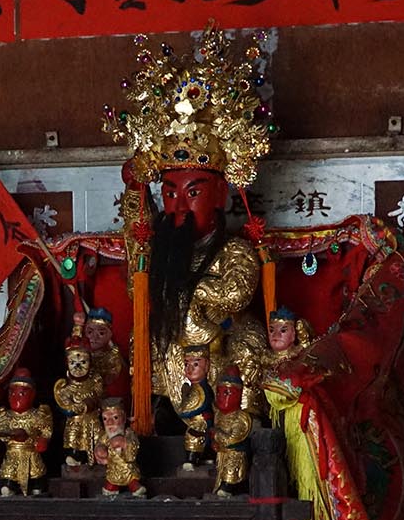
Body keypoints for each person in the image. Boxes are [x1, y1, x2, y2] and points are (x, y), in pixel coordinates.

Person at [101, 25, 274, 433]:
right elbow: (137, 282)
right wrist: (135, 193)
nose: (179, 205)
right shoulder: (162, 248)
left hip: (218, 353)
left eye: (193, 192)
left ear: (220, 194)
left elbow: (234, 294)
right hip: (171, 355)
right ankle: (157, 414)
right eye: (170, 192)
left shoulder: (233, 251)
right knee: (146, 335)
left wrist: (189, 290)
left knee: (249, 341)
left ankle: (236, 425)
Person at [0, 369, 52, 496]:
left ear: (32, 394)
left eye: (21, 393)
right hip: (13, 453)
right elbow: (1, 432)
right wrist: (11, 434)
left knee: (36, 473)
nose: (15, 397)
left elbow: (46, 431)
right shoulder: (5, 415)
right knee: (9, 473)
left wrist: (42, 440)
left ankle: (37, 486)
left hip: (31, 452)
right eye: (12, 393)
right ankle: (9, 485)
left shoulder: (38, 414)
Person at [52, 335, 102, 467]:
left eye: (83, 362)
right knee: (73, 441)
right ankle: (74, 457)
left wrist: (90, 403)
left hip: (93, 421)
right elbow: (63, 405)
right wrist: (73, 408)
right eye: (73, 363)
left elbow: (99, 397)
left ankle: (97, 460)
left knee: (97, 442)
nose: (78, 366)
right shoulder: (64, 387)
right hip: (75, 422)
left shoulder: (95, 381)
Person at [210, 367, 253, 497]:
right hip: (221, 452)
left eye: (226, 393)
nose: (220, 397)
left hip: (235, 452)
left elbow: (232, 439)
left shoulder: (241, 418)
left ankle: (228, 487)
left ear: (238, 395)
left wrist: (216, 434)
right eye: (218, 393)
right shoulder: (218, 414)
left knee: (232, 462)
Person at [92, 397, 145, 498]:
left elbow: (133, 445)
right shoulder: (105, 437)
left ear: (124, 418)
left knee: (131, 477)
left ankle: (135, 487)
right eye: (105, 419)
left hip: (127, 466)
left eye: (115, 418)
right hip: (112, 467)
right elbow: (99, 445)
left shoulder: (128, 433)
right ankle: (111, 489)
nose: (110, 423)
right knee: (112, 480)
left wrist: (124, 443)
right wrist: (100, 451)